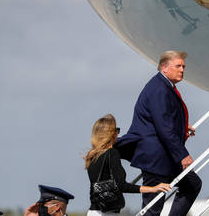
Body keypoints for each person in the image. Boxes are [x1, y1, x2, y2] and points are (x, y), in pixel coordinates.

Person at [115, 50, 202, 216]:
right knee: (153, 207)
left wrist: (182, 127)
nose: (182, 70)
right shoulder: (159, 89)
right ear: (164, 68)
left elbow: (163, 120)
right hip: (155, 158)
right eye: (178, 66)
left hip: (163, 156)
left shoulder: (163, 86)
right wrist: (182, 154)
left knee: (192, 184)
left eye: (183, 66)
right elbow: (163, 126)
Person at [85, 114, 171, 216]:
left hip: (93, 212)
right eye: (116, 130)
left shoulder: (92, 156)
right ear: (111, 134)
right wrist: (153, 188)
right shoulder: (112, 153)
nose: (118, 133)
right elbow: (121, 185)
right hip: (107, 213)